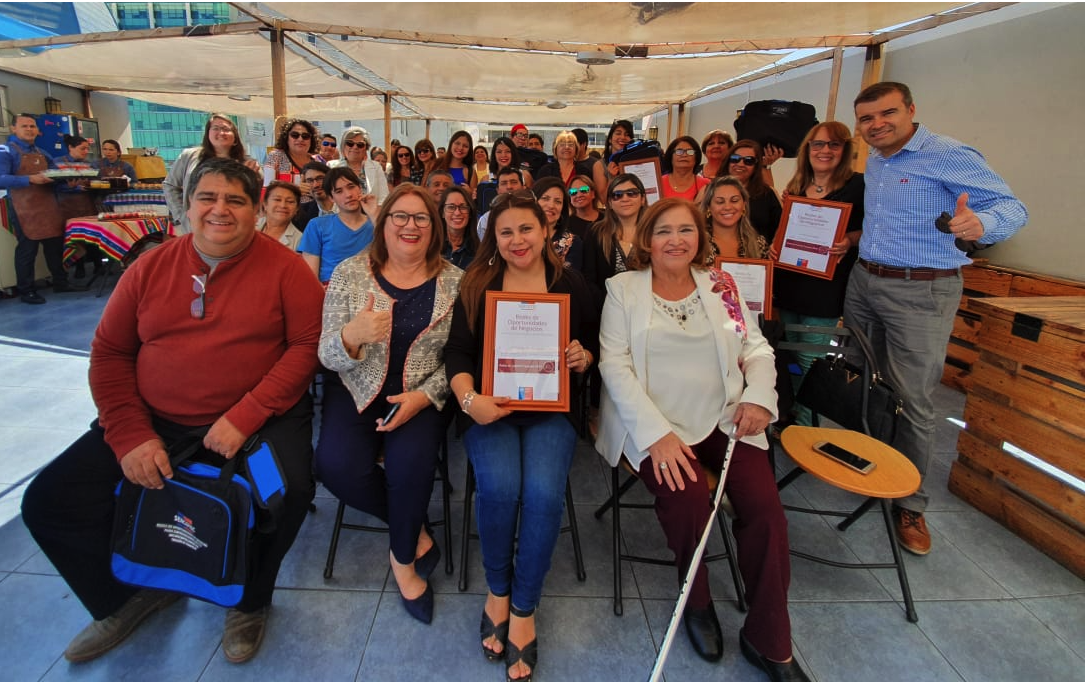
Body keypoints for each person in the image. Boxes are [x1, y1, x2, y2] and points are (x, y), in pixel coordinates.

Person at [20, 158, 325, 665]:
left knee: (288, 494)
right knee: (50, 501)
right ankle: (125, 598)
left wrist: (245, 415)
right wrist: (129, 434)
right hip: (153, 419)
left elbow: (306, 348)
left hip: (255, 423)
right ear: (187, 204)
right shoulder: (149, 267)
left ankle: (250, 602)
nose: (220, 210)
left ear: (255, 210)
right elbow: (110, 353)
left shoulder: (287, 270)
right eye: (208, 198)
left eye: (235, 200)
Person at [595, 197, 810, 682]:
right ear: (647, 240)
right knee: (688, 496)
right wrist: (657, 436)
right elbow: (615, 366)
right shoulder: (623, 290)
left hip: (725, 417)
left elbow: (755, 348)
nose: (675, 240)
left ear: (700, 237)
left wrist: (759, 398)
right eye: (664, 231)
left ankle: (769, 638)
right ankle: (696, 600)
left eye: (685, 230)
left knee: (766, 512)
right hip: (654, 422)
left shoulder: (721, 286)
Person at [844, 81, 1027, 556]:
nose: (877, 124)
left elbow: (1012, 207)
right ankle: (873, 465)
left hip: (921, 289)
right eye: (866, 118)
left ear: (911, 109)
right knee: (863, 379)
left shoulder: (946, 154)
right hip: (866, 280)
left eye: (887, 113)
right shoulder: (878, 161)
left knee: (913, 397)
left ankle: (910, 502)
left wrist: (982, 224)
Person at [445, 189, 599, 682]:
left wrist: (582, 357)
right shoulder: (477, 283)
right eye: (505, 231)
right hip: (489, 407)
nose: (517, 240)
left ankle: (524, 605)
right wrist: (470, 400)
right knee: (500, 488)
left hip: (550, 411)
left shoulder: (571, 283)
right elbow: (457, 353)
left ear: (546, 229)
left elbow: (593, 345)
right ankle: (498, 590)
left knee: (543, 494)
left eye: (526, 228)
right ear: (493, 237)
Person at [316, 183, 463, 625]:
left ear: (434, 228)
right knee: (336, 467)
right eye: (400, 216)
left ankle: (402, 562)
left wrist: (424, 397)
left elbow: (460, 359)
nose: (409, 226)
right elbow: (326, 354)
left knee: (410, 467)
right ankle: (414, 529)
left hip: (420, 394)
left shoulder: (456, 282)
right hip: (356, 387)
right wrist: (352, 336)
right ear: (384, 224)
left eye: (421, 218)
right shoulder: (349, 273)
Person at [774, 122, 864, 426]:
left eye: (834, 144)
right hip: (789, 284)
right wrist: (775, 247)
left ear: (845, 150)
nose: (825, 151)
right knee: (789, 354)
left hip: (824, 290)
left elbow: (874, 230)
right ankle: (792, 412)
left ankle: (805, 424)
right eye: (818, 144)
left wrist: (849, 240)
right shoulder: (797, 186)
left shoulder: (858, 186)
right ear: (808, 150)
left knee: (811, 357)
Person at [0, 113, 78, 304]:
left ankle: (61, 282)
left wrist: (67, 183)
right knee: (27, 250)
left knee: (54, 247)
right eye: (24, 126)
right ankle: (26, 290)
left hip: (48, 206)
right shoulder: (5, 151)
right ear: (13, 128)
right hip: (23, 207)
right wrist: (29, 179)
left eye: (32, 126)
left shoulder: (43, 153)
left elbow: (55, 177)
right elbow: (1, 178)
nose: (29, 130)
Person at [165, 114, 260, 234]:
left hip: (230, 226)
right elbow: (170, 185)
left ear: (235, 136)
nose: (221, 133)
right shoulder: (189, 156)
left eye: (226, 129)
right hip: (194, 227)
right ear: (207, 133)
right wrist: (181, 215)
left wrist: (254, 177)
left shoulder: (247, 162)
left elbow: (257, 194)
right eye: (216, 128)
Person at [298, 166, 379, 284]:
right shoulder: (317, 226)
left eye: (351, 187)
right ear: (331, 198)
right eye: (339, 191)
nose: (348, 195)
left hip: (371, 287)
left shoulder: (376, 222)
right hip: (331, 290)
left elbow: (393, 257)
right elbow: (310, 278)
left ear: (360, 188)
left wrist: (374, 215)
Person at [701, 175, 769, 265]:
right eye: (720, 202)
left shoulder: (759, 244)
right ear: (708, 207)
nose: (728, 207)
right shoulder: (697, 242)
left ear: (744, 205)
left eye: (734, 200)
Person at [727, 139, 782, 243]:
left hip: (758, 251)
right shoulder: (712, 190)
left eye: (748, 160)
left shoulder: (767, 193)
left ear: (756, 166)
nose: (740, 164)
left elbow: (781, 228)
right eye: (735, 158)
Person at [535, 130, 608, 200]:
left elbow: (591, 195)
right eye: (562, 144)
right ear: (555, 149)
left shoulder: (585, 171)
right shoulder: (545, 171)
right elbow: (537, 195)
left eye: (570, 145)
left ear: (576, 149)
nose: (567, 147)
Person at [262, 118, 320, 203]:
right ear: (286, 138)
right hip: (285, 208)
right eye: (295, 135)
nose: (300, 139)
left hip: (313, 209)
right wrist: (295, 189)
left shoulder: (316, 162)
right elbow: (267, 189)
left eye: (305, 136)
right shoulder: (276, 156)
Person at [532, 176, 583, 271]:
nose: (551, 205)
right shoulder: (521, 237)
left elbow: (573, 278)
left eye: (558, 201)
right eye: (545, 198)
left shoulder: (573, 243)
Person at [329, 126, 390, 205]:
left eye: (360, 145)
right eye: (350, 143)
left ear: (366, 149)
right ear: (343, 147)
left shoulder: (376, 167)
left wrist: (374, 211)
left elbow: (384, 197)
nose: (355, 147)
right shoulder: (332, 167)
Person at [53, 134, 98, 222]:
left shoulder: (89, 164)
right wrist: (73, 187)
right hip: (65, 207)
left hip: (87, 207)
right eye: (82, 148)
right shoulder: (58, 162)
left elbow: (96, 182)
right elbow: (52, 186)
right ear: (70, 147)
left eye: (87, 149)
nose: (86, 151)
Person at [476, 166, 527, 241]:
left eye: (514, 182)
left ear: (523, 188)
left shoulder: (533, 214)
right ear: (498, 190)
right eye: (504, 183)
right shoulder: (486, 219)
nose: (509, 187)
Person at [440, 184, 479, 269]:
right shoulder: (430, 246)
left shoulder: (480, 252)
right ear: (442, 212)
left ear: (470, 213)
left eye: (463, 207)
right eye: (451, 207)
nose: (457, 213)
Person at [258, 180, 304, 251]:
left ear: (297, 209)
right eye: (277, 199)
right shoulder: (249, 226)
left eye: (290, 201)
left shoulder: (300, 240)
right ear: (265, 204)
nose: (283, 205)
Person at [661, 135, 709, 202]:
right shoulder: (659, 182)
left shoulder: (706, 185)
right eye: (679, 151)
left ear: (696, 157)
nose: (684, 155)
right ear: (670, 156)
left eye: (690, 151)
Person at [293, 161, 336, 231]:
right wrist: (296, 195)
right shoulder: (303, 212)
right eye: (310, 181)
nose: (316, 185)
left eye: (320, 178)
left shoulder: (347, 204)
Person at [566, 174, 601, 240]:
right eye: (573, 192)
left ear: (593, 194)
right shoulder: (566, 226)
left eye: (584, 190)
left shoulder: (608, 217)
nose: (578, 195)